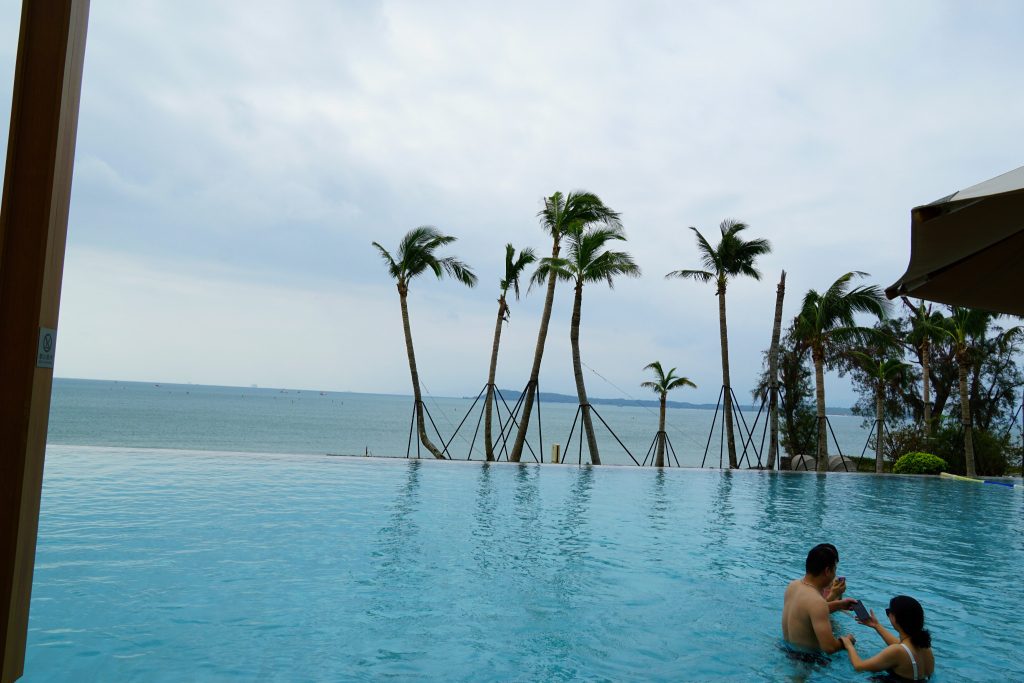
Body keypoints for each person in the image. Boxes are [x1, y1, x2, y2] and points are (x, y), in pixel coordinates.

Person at [782, 543, 856, 653]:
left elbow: (807, 612)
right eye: (834, 569)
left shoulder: (793, 585)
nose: (835, 575)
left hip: (786, 650)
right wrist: (847, 641)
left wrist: (839, 604)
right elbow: (829, 647)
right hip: (809, 660)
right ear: (827, 571)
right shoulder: (817, 602)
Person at [839, 595, 934, 681]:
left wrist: (849, 645)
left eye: (888, 612)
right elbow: (901, 646)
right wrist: (876, 625)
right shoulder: (925, 646)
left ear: (896, 618)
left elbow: (859, 667)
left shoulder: (897, 651)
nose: (888, 615)